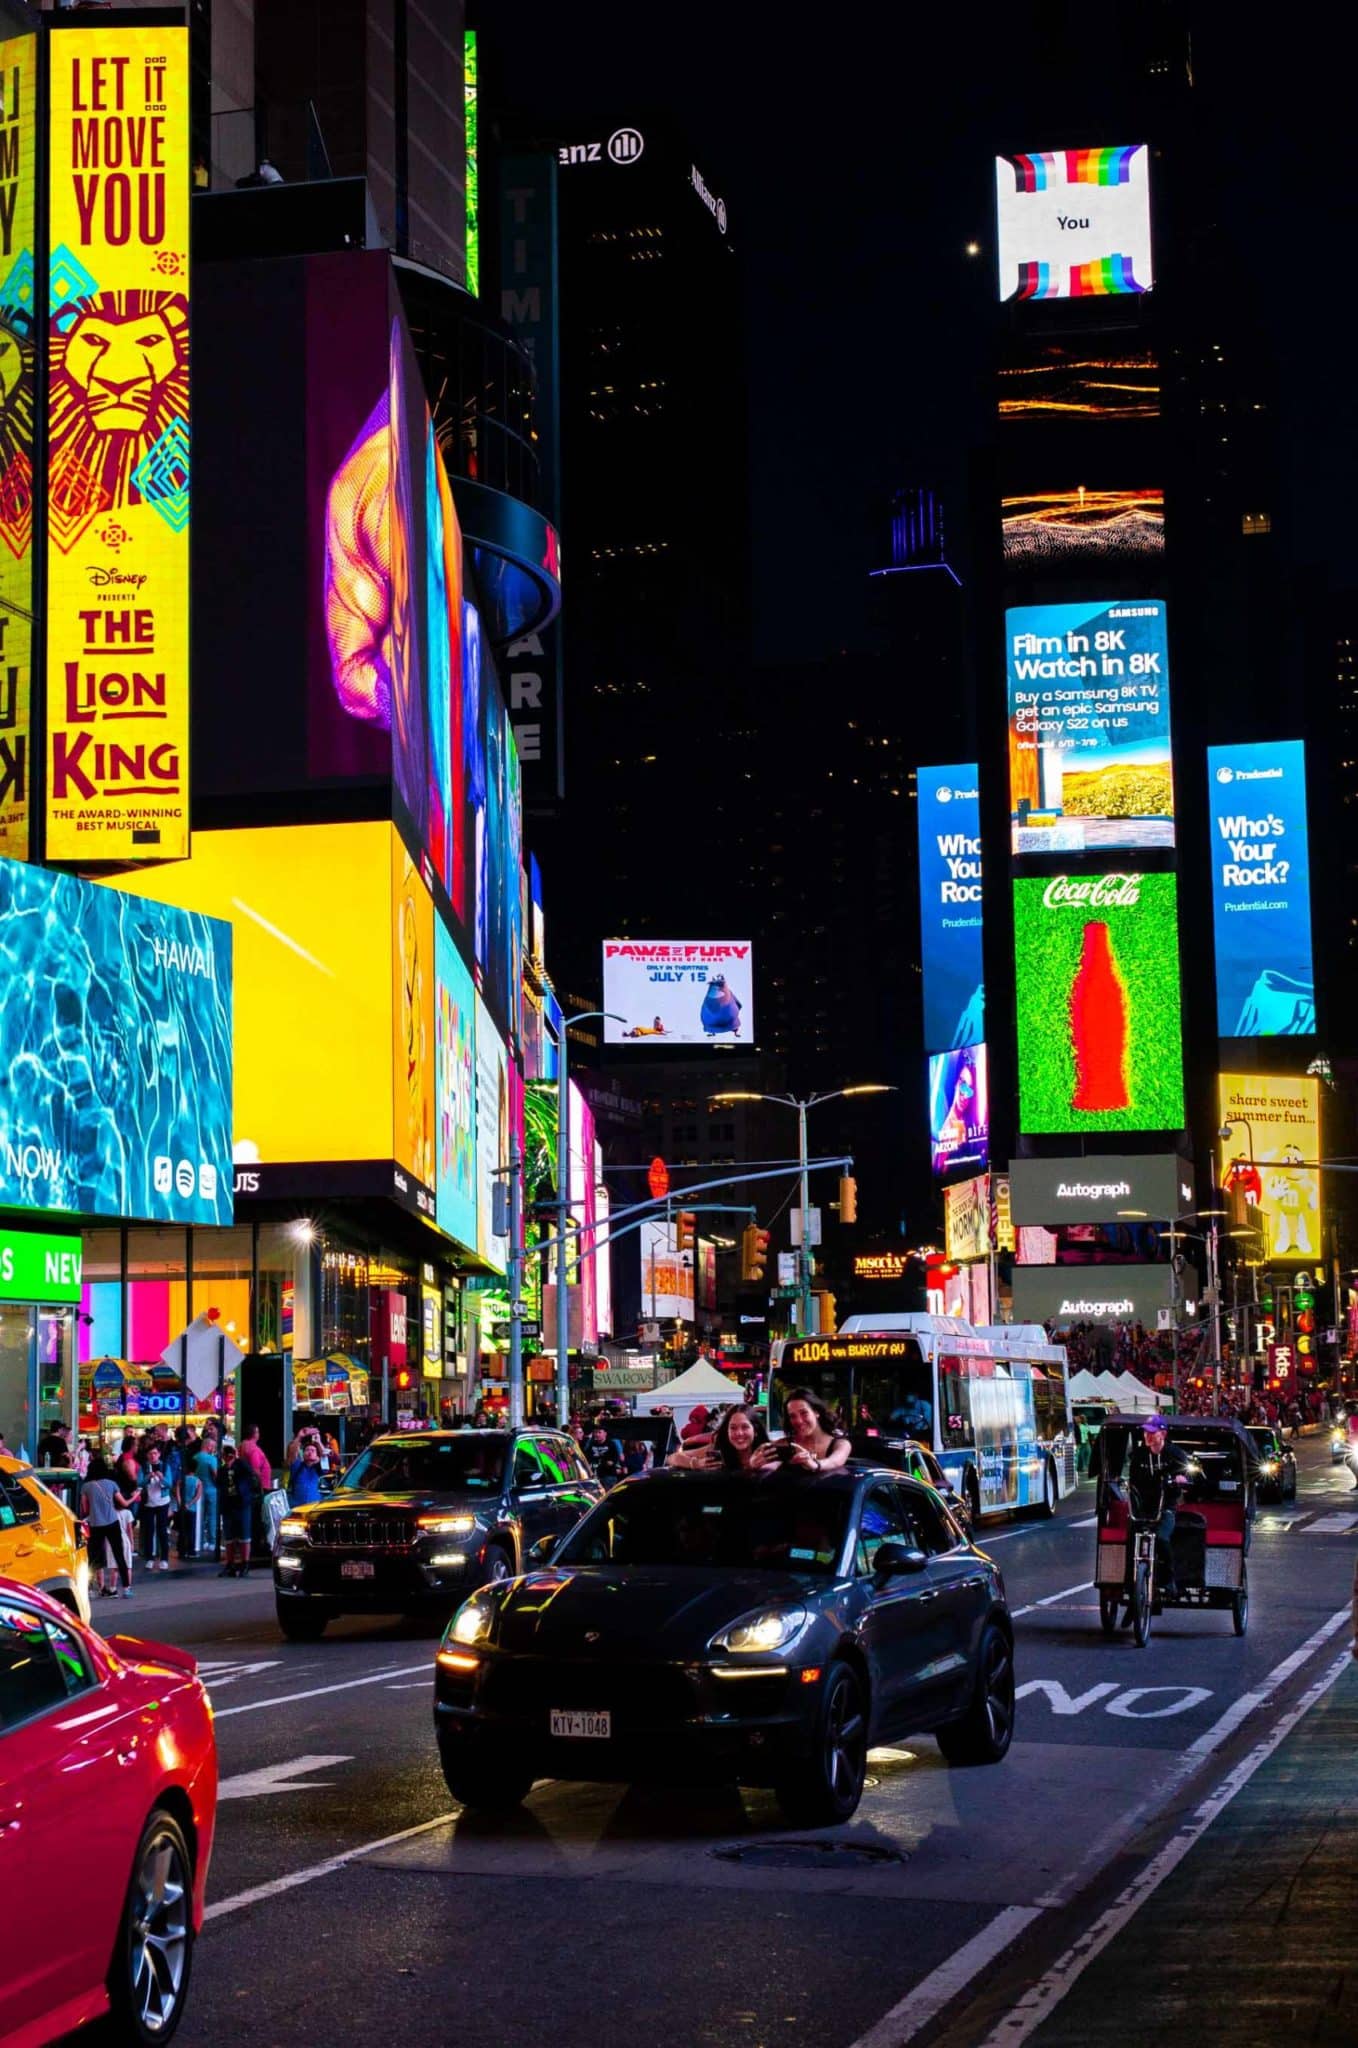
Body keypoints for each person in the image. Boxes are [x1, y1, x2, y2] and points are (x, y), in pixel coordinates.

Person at [1124, 1412, 1193, 1598]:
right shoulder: (1138, 1455)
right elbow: (1132, 1481)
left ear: (1163, 1434)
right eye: (1145, 1432)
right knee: (1131, 1540)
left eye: (1152, 1432)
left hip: (1166, 1507)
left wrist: (1181, 1478)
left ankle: (1169, 1579)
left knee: (1162, 1538)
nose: (1147, 1436)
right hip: (1142, 1509)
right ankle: (1130, 1587)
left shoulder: (1175, 1454)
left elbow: (1188, 1474)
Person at [753, 1389, 852, 1474]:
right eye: (792, 1416)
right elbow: (768, 1468)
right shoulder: (784, 1445)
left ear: (816, 1412)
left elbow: (834, 1461)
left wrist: (814, 1464)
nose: (799, 1421)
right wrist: (755, 1465)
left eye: (804, 1413)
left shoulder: (840, 1444)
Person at [81, 1454, 139, 1598]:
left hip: (95, 1524)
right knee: (119, 1555)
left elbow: (84, 1509)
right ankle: (126, 1589)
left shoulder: (86, 1487)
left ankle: (90, 1589)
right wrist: (135, 1495)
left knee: (94, 1558)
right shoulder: (112, 1484)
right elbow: (124, 1503)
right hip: (112, 1523)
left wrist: (95, 1510)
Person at [670, 1404, 769, 1472]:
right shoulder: (719, 1450)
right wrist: (697, 1464)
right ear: (727, 1431)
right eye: (733, 1428)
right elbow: (673, 1458)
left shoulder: (767, 1452)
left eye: (745, 1427)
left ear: (755, 1430)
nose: (739, 1433)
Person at [218, 1442, 255, 1577]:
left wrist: (237, 1458)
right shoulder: (222, 1470)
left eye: (229, 1456)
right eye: (225, 1456)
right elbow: (219, 1483)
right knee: (229, 1536)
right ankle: (230, 1564)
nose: (227, 1459)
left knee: (244, 1534)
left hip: (242, 1504)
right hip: (228, 1504)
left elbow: (251, 1473)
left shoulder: (241, 1465)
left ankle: (245, 1563)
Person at [139, 1442, 175, 1572]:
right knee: (149, 1531)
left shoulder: (165, 1466)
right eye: (150, 1454)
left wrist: (162, 1478)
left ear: (159, 1454)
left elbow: (170, 1484)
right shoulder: (144, 1467)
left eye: (155, 1453)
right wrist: (147, 1477)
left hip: (162, 1502)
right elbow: (139, 1483)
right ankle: (150, 1558)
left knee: (162, 1530)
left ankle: (164, 1558)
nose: (152, 1456)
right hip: (148, 1503)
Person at [287, 1438, 325, 1507]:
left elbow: (324, 1456)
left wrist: (319, 1442)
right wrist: (300, 1436)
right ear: (303, 1454)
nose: (310, 1452)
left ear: (317, 1456)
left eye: (313, 1450)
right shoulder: (297, 1465)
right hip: (297, 1508)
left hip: (315, 1507)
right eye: (307, 1450)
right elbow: (292, 1453)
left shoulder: (318, 1468)